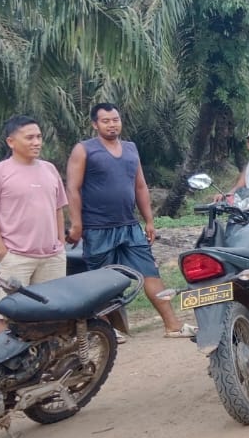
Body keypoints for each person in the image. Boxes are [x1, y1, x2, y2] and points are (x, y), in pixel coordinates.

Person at [66, 102, 194, 338]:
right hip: (97, 228)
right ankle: (108, 334)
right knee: (101, 282)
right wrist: (77, 223)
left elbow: (140, 186)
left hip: (130, 226)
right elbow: (73, 188)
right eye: (105, 121)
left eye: (115, 120)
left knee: (150, 272)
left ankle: (173, 325)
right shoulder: (83, 150)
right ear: (95, 124)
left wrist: (149, 221)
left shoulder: (131, 148)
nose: (112, 125)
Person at [0, 115, 68, 333]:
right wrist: (3, 252)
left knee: (52, 313)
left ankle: (45, 354)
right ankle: (6, 355)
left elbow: (58, 209)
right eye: (29, 138)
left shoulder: (49, 169)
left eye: (39, 137)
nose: (36, 142)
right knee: (8, 315)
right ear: (11, 142)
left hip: (52, 257)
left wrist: (60, 244)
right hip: (16, 257)